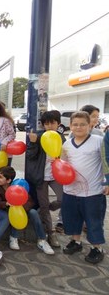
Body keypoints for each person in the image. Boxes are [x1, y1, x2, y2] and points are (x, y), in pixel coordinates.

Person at [61, 111, 107, 264]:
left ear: (90, 125)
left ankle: (97, 248)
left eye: (82, 124)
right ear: (70, 126)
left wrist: (107, 182)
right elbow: (62, 164)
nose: (78, 127)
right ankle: (76, 242)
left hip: (93, 191)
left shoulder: (99, 141)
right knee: (73, 218)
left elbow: (106, 162)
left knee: (93, 221)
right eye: (75, 124)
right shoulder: (66, 144)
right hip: (71, 190)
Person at [0, 166, 54, 255]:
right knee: (13, 212)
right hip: (6, 209)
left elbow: (30, 201)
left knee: (33, 212)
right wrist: (7, 204)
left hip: (21, 209)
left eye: (1, 177)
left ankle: (42, 240)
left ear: (8, 180)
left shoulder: (17, 187)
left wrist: (20, 206)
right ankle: (14, 237)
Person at [25, 110, 64, 247]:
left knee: (63, 198)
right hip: (41, 177)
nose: (49, 126)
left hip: (56, 175)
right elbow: (30, 156)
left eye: (52, 123)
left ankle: (45, 208)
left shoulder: (62, 138)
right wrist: (34, 143)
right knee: (44, 204)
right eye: (46, 123)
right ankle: (51, 233)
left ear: (58, 123)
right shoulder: (39, 136)